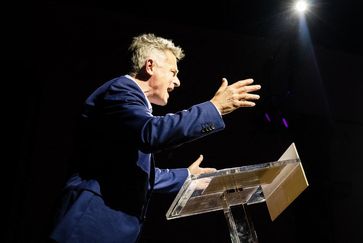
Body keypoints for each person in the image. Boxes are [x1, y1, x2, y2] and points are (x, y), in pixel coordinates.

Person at [49, 33, 261, 243]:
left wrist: (186, 176)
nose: (177, 82)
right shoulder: (121, 90)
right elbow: (151, 133)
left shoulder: (131, 104)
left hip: (110, 225)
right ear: (150, 66)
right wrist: (214, 108)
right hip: (92, 221)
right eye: (173, 72)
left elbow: (134, 173)